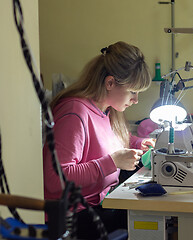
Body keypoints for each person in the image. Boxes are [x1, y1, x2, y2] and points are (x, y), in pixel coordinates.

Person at [43, 41, 155, 239]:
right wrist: (111, 163)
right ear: (110, 83)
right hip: (73, 217)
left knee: (149, 214)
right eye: (133, 92)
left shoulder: (106, 110)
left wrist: (138, 143)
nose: (136, 100)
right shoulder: (74, 112)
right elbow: (55, 179)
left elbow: (113, 138)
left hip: (99, 203)